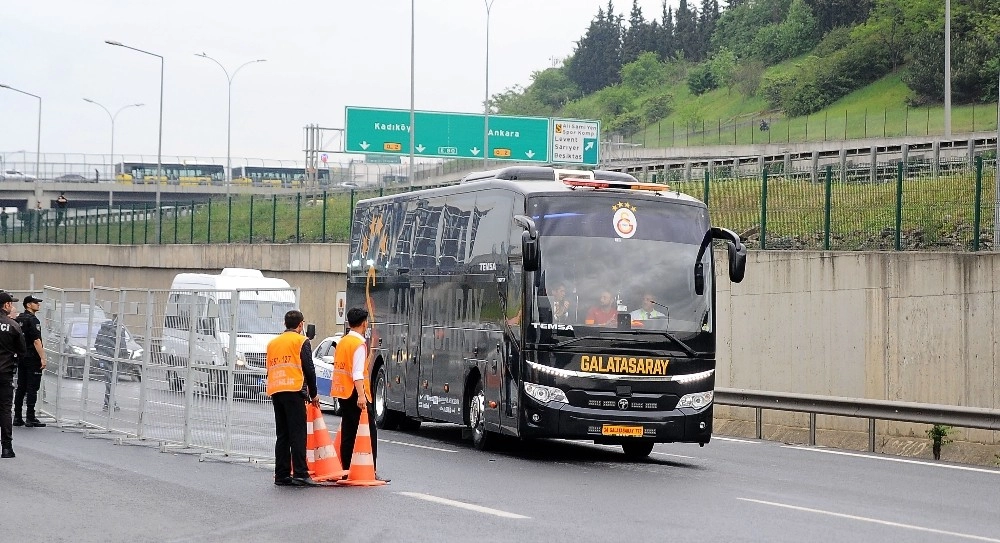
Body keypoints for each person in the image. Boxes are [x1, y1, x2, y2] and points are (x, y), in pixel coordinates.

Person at [331, 307, 387, 482]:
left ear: (348, 323)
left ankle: (346, 469)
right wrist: (362, 396)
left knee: (348, 432)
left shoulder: (342, 342)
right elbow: (357, 373)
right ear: (364, 324)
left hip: (342, 391)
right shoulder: (359, 344)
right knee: (368, 432)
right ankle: (369, 470)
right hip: (356, 393)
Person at [266, 309, 320, 487]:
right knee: (297, 434)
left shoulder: (273, 343)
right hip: (294, 389)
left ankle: (281, 474)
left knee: (282, 434)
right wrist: (313, 394)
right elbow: (309, 369)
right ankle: (300, 473)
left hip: (276, 389)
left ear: (284, 324)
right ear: (301, 324)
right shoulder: (301, 341)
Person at [0, 292, 27, 458]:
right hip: (4, 373)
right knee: (4, 410)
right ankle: (7, 448)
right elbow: (22, 351)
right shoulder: (13, 326)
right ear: (6, 305)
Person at [14, 295, 47, 427]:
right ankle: (30, 417)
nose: (38, 305)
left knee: (21, 387)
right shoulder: (33, 320)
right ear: (28, 305)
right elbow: (36, 341)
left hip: (21, 356)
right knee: (32, 387)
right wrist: (43, 358)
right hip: (32, 357)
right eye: (35, 303)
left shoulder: (19, 318)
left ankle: (17, 416)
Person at [93, 317, 122, 412]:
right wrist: (123, 359)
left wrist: (102, 354)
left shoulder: (102, 329)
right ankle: (108, 404)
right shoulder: (118, 331)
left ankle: (111, 402)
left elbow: (96, 344)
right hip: (114, 360)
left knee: (109, 381)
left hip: (104, 359)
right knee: (112, 382)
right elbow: (122, 346)